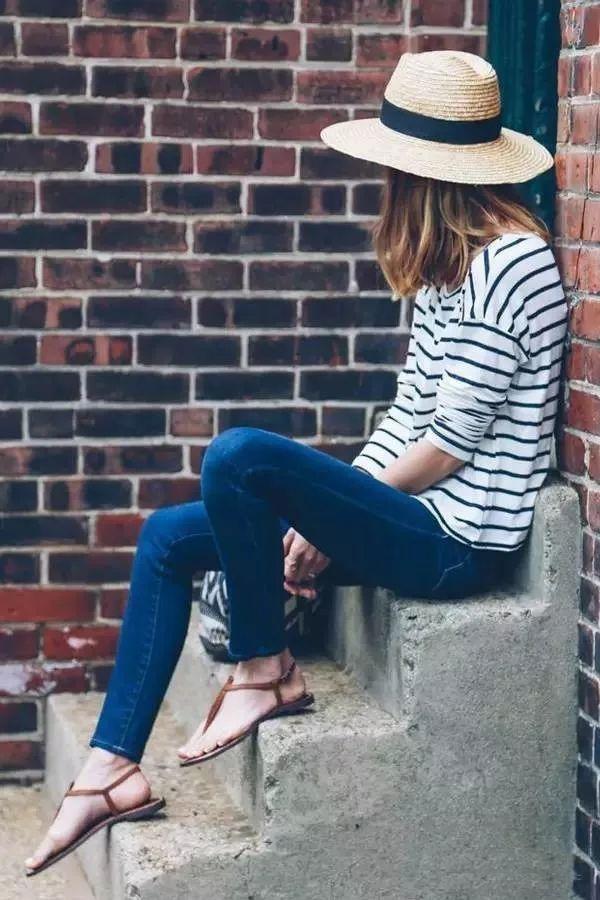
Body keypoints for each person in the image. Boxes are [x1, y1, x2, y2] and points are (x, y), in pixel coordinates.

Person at [26, 49, 567, 876]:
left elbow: (448, 444)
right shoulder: (448, 266)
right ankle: (110, 771)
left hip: (457, 544)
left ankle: (265, 667)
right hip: (411, 514)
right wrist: (332, 510)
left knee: (238, 456)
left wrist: (332, 514)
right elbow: (406, 416)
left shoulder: (513, 262)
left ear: (420, 171)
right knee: (168, 537)